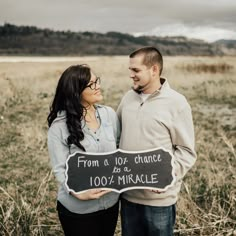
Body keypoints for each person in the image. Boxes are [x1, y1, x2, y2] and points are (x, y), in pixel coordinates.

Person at [117, 46, 197, 236]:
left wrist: (166, 176)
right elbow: (117, 137)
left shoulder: (176, 103)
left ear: (154, 70)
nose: (131, 75)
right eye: (130, 70)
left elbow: (187, 151)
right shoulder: (127, 98)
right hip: (127, 195)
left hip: (158, 202)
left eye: (136, 70)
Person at [47, 64, 120, 236]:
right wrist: (78, 192)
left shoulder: (109, 115)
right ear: (76, 91)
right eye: (92, 84)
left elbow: (118, 151)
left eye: (97, 81)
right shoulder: (59, 127)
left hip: (110, 203)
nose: (98, 87)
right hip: (78, 209)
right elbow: (60, 169)